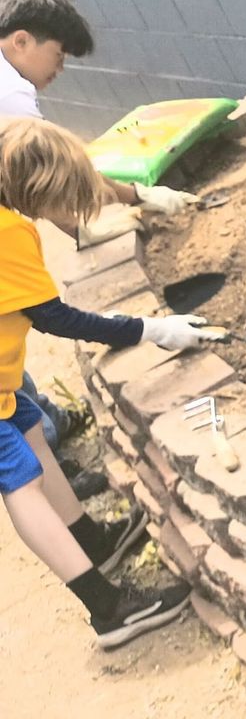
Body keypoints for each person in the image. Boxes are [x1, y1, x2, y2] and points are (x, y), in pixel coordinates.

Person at [0, 117, 210, 649]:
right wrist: (151, 328)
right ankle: (108, 609)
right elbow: (55, 318)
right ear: (37, 189)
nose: (68, 212)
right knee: (19, 482)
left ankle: (90, 539)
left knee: (27, 425)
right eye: (64, 200)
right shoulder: (7, 233)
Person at [0, 0, 199, 465]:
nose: (60, 70)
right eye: (59, 55)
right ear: (21, 41)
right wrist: (149, 330)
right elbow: (54, 180)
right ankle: (41, 446)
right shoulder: (11, 99)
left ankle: (42, 429)